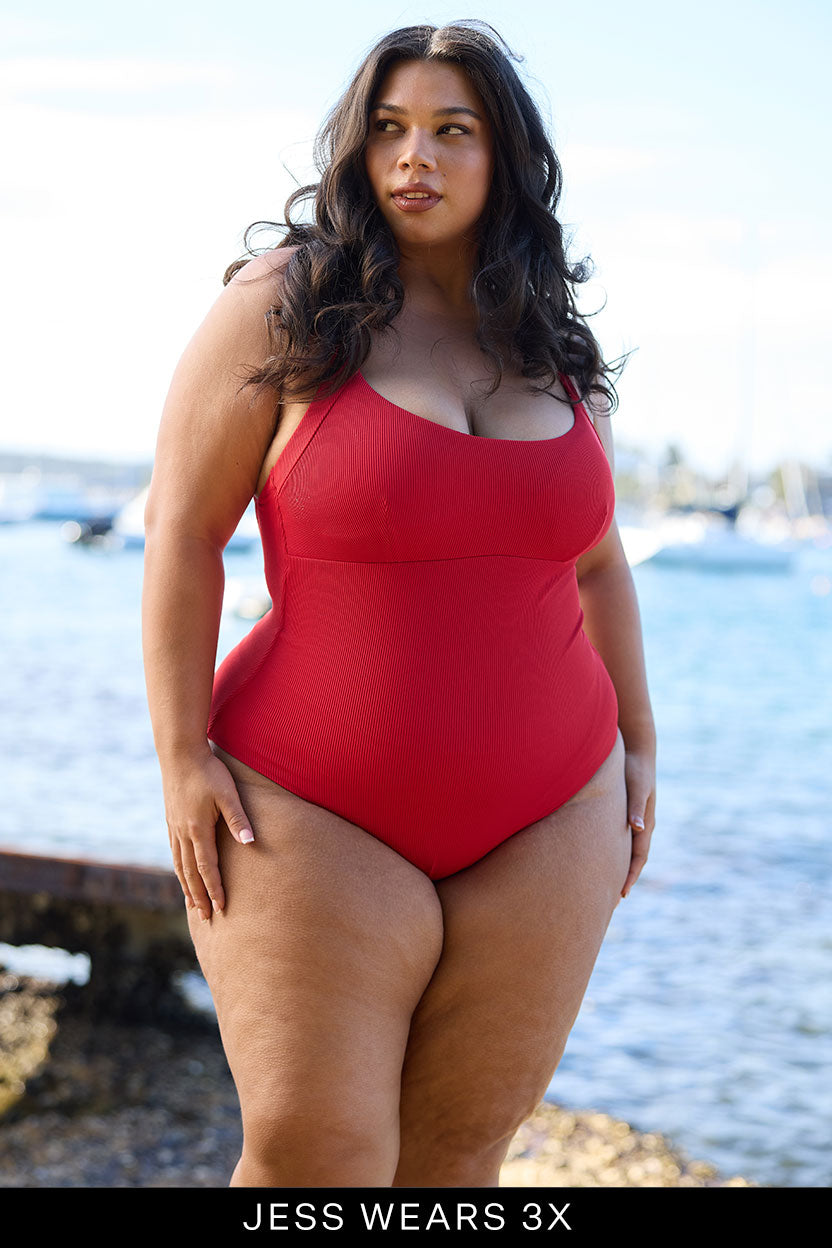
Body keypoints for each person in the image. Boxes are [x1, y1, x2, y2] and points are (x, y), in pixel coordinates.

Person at [142, 20, 656, 1188]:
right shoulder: (287, 306)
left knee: (458, 1163)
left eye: (449, 130)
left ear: (504, 160)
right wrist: (180, 760)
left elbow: (599, 562)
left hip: (552, 816)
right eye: (388, 129)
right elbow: (182, 534)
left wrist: (639, 741)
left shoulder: (551, 346)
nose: (412, 156)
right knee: (314, 1159)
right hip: (307, 804)